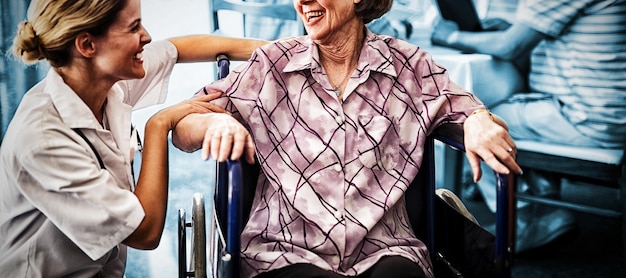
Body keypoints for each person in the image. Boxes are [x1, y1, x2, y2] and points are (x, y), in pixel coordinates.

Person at [172, 0, 522, 277]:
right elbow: (183, 126)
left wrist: (478, 118)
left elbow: (466, 106)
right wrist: (213, 125)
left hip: (386, 249)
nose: (302, 1)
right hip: (285, 250)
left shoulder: (408, 66)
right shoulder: (272, 65)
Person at [0, 0, 267, 276]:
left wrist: (277, 49)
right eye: (133, 27)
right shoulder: (44, 141)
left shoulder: (103, 82)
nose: (147, 36)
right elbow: (145, 233)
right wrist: (158, 126)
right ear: (87, 45)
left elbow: (177, 49)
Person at [431, 0, 626, 253]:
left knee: (477, 124)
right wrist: (517, 27)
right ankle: (547, 210)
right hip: (607, 113)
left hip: (586, 118)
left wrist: (451, 36)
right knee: (501, 114)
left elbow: (510, 46)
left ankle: (526, 218)